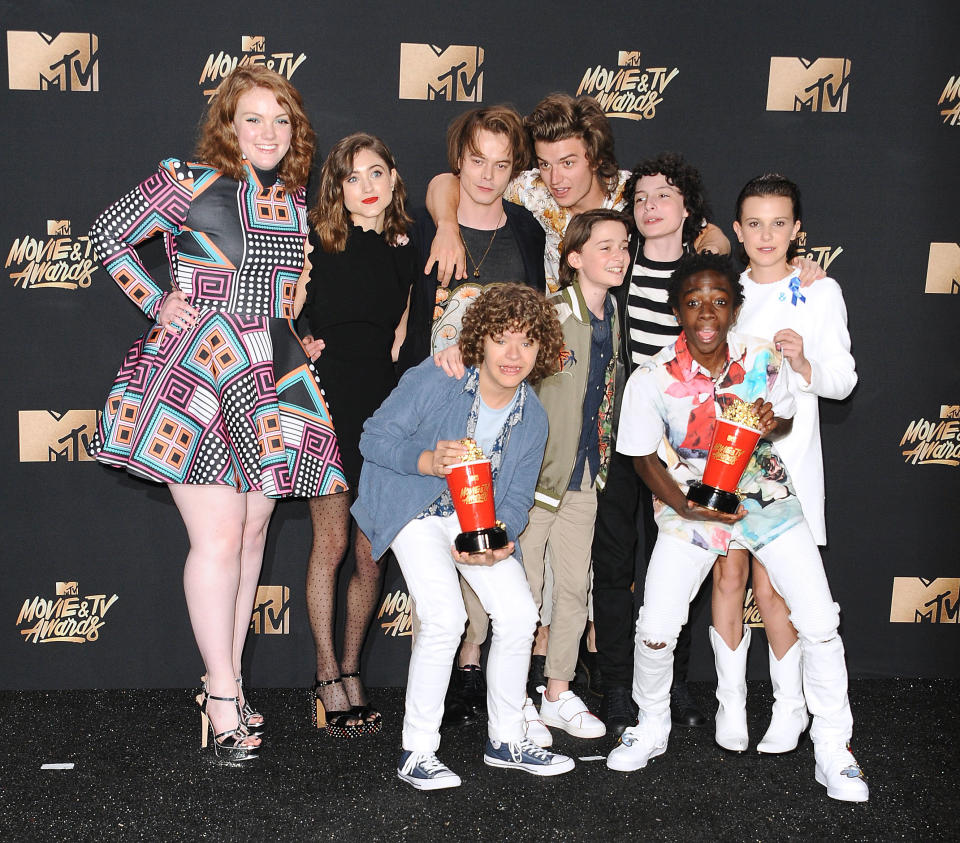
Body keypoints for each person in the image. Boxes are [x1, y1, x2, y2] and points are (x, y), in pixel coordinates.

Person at [426, 98, 728, 725]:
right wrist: (447, 225)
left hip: (643, 427)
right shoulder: (528, 192)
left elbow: (681, 224)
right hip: (550, 421)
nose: (556, 175)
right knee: (531, 573)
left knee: (649, 559)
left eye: (569, 161)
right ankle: (504, 680)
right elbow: (449, 180)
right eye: (545, 163)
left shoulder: (630, 201)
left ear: (596, 159)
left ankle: (612, 685)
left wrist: (711, 238)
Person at [87, 66, 346, 761]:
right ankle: (226, 693)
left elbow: (280, 296)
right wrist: (154, 299)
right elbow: (107, 235)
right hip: (197, 374)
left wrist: (296, 335)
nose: (268, 132)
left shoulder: (292, 204)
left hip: (267, 377)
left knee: (256, 530)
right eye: (254, 118)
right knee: (222, 539)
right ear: (229, 125)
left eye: (281, 120)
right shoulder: (189, 180)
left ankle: (219, 683)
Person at [606, 253, 869, 803]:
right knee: (656, 625)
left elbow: (786, 414)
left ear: (735, 308)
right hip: (691, 508)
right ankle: (651, 726)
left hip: (768, 500)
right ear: (677, 308)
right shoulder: (651, 376)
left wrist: (777, 421)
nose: (707, 313)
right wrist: (686, 507)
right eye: (695, 301)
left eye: (720, 301)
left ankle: (833, 749)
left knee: (820, 621)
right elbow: (640, 458)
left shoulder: (762, 356)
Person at [352, 284, 574, 790]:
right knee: (446, 617)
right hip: (414, 504)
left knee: (520, 613)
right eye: (501, 340)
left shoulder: (533, 418)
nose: (513, 355)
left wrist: (503, 539)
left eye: (526, 342)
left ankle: (506, 739)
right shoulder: (440, 376)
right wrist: (427, 461)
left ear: (542, 349)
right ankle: (417, 751)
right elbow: (373, 437)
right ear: (480, 342)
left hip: (474, 519)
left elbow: (516, 503)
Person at [397, 106, 546, 728]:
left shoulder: (530, 232)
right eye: (476, 160)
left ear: (515, 170)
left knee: (489, 546)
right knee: (430, 563)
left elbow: (535, 325)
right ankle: (431, 700)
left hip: (497, 421)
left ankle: (495, 689)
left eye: (501, 163)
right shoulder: (431, 219)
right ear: (458, 162)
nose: (487, 175)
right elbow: (403, 311)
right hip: (430, 414)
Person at [709, 174, 857, 753]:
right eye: (754, 223)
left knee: (774, 590)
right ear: (739, 230)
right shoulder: (723, 289)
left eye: (779, 223)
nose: (766, 234)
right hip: (721, 463)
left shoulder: (819, 291)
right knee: (727, 575)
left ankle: (790, 709)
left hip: (786, 464)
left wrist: (803, 361)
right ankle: (731, 709)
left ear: (797, 230)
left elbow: (843, 383)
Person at [297, 133, 417, 737]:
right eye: (352, 177)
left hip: (385, 408)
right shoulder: (313, 240)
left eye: (377, 172)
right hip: (325, 400)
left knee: (372, 555)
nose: (367, 187)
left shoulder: (409, 245)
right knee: (333, 542)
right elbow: (281, 306)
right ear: (336, 188)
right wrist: (300, 340)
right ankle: (325, 676)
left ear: (393, 178)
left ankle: (352, 670)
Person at [594, 153, 717, 736]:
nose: (649, 207)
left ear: (686, 207)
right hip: (621, 440)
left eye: (663, 195)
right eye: (640, 198)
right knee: (615, 565)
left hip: (685, 448)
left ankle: (674, 685)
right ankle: (617, 687)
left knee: (678, 564)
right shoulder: (619, 267)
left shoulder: (708, 274)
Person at [519, 209, 630, 744]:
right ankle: (512, 696)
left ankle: (557, 693)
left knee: (573, 590)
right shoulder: (547, 316)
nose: (619, 256)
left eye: (624, 246)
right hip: (536, 481)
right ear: (574, 258)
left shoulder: (618, 316)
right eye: (605, 246)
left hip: (587, 478)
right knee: (523, 593)